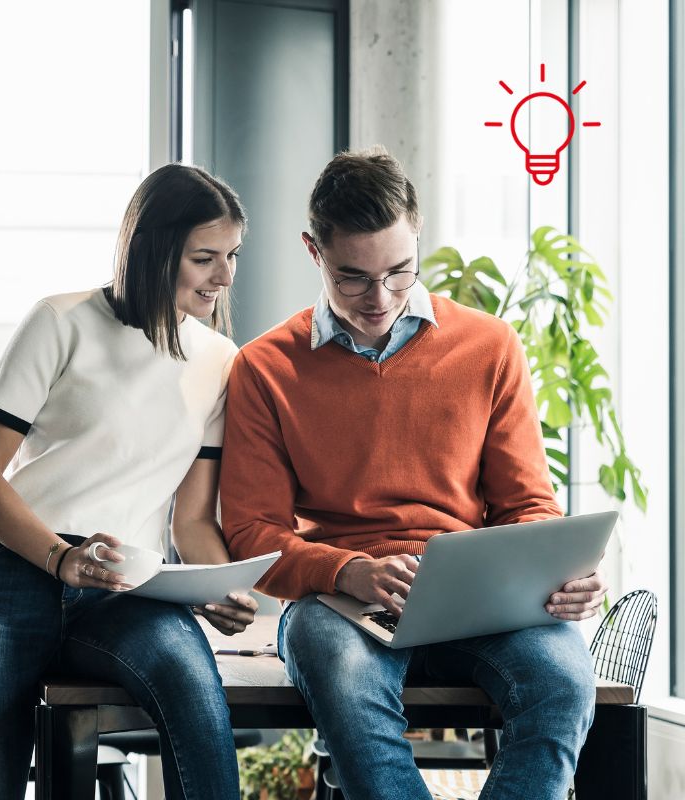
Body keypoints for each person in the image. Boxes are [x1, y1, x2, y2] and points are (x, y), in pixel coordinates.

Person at [219, 146, 607, 800]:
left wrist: (557, 574)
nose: (380, 298)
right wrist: (347, 570)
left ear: (418, 233)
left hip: (482, 603)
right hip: (341, 605)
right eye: (353, 277)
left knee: (563, 683)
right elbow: (252, 533)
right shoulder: (264, 368)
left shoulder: (489, 347)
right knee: (341, 674)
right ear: (314, 251)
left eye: (400, 272)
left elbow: (529, 506)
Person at [0, 163, 258, 800]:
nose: (223, 277)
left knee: (195, 695)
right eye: (204, 258)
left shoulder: (220, 361)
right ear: (153, 248)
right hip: (11, 570)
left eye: (231, 257)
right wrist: (60, 559)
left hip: (127, 586)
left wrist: (218, 586)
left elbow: (191, 520)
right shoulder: (60, 321)